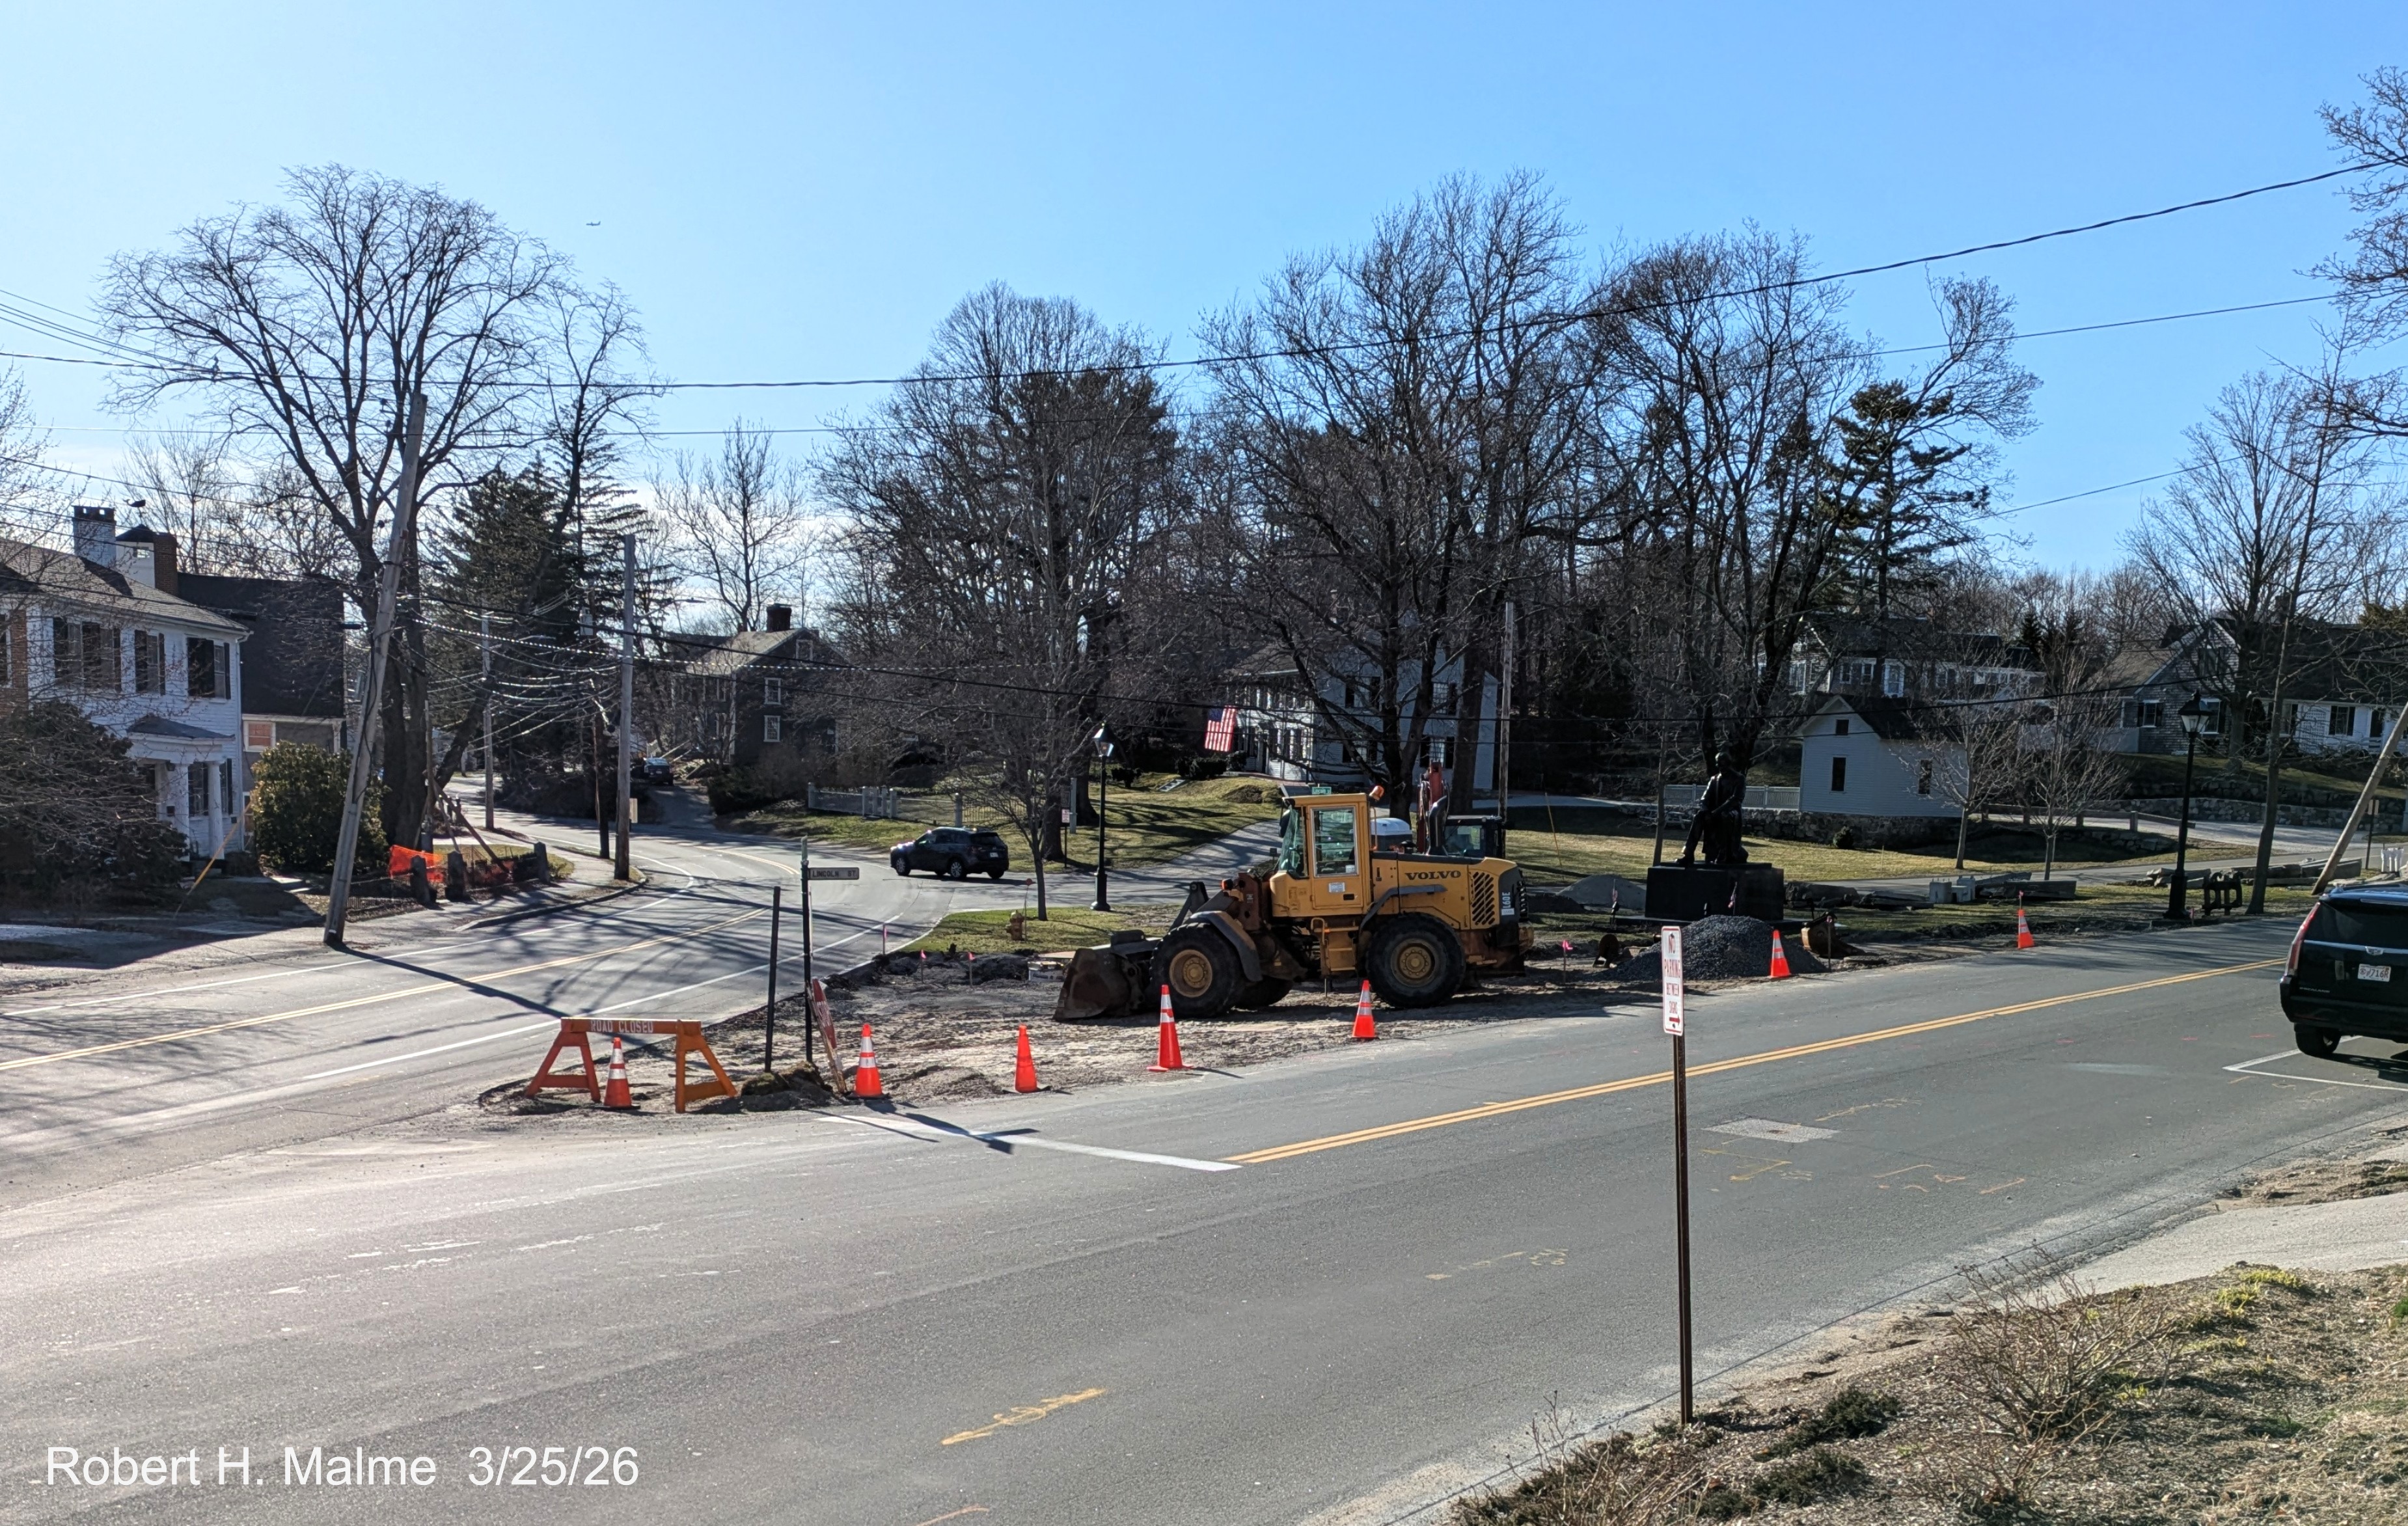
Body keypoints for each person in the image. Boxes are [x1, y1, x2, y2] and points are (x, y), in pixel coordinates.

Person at [1678, 751, 1749, 867]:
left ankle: (1724, 854)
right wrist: (1706, 811)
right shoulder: (1714, 779)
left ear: (1729, 764)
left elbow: (1736, 799)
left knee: (1725, 815)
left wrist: (1717, 812)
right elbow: (1704, 799)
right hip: (1714, 813)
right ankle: (1688, 853)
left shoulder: (1739, 778)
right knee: (1699, 816)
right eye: (1719, 765)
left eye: (1723, 765)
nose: (1720, 767)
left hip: (1732, 813)